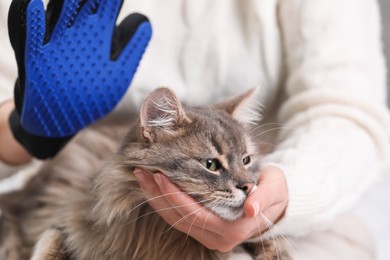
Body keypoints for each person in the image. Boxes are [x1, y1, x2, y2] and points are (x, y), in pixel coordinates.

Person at [1, 0, 389, 259]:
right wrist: (26, 132)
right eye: (216, 166)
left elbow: (346, 110)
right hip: (81, 177)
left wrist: (284, 197)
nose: (241, 182)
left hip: (291, 194)